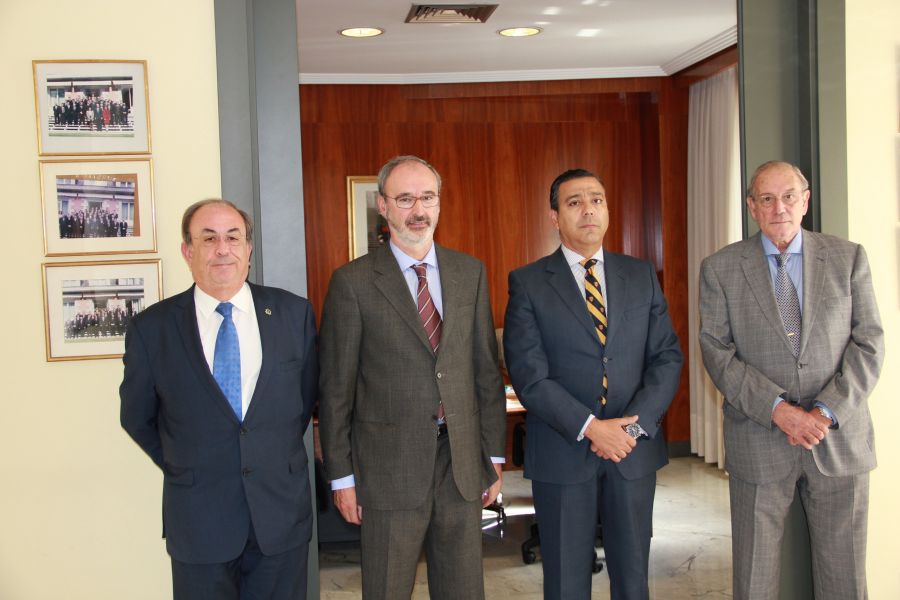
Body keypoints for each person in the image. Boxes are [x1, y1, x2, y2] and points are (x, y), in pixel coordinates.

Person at [317, 155, 507, 600]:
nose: (418, 210)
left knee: (463, 590)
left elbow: (485, 372)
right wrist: (342, 477)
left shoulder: (469, 273)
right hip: (386, 470)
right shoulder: (353, 283)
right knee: (386, 590)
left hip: (461, 466)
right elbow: (336, 390)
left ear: (440, 203)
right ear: (382, 206)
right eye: (405, 199)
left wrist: (493, 457)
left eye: (427, 197)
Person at [699, 160, 884, 600]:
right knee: (754, 579)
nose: (778, 207)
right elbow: (717, 353)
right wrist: (780, 411)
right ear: (752, 207)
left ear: (805, 200)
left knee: (845, 579)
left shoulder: (848, 256)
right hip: (760, 440)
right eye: (766, 198)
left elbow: (869, 343)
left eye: (788, 196)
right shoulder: (720, 268)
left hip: (837, 441)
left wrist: (824, 411)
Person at [120, 199, 318, 600]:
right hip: (199, 520)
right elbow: (137, 417)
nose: (222, 249)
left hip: (279, 519)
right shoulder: (151, 329)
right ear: (188, 252)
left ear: (248, 249)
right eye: (208, 239)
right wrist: (187, 462)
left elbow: (304, 400)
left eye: (233, 237)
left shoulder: (292, 313)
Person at [503, 168, 683, 600]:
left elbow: (666, 357)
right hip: (564, 453)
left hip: (632, 452)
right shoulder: (528, 283)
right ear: (554, 217)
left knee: (633, 577)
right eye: (575, 202)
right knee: (565, 580)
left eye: (597, 200)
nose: (589, 210)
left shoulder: (639, 275)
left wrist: (629, 428)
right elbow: (530, 375)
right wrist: (592, 428)